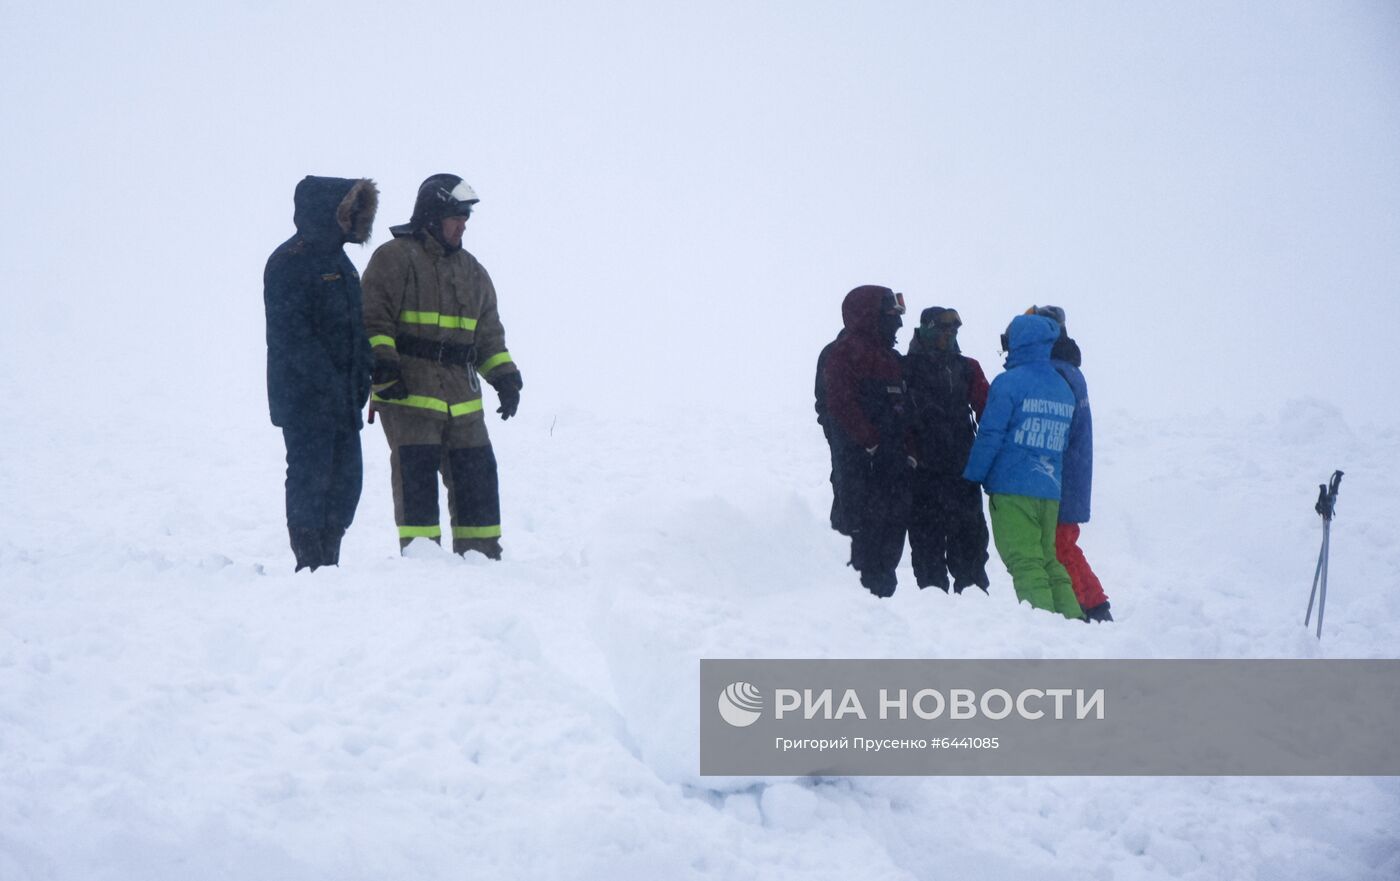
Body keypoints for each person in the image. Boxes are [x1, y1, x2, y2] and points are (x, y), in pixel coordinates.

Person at [361, 174, 522, 559]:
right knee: (415, 481)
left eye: (466, 216)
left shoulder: (472, 271)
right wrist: (384, 366)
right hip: (409, 394)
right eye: (455, 215)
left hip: (463, 399)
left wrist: (504, 375)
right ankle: (422, 562)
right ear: (432, 216)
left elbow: (488, 335)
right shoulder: (394, 258)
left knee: (477, 477)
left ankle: (482, 557)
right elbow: (371, 320)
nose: (462, 224)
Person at [264, 175, 378, 571]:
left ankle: (331, 556)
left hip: (344, 400)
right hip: (305, 402)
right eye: (348, 211)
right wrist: (328, 382)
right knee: (310, 482)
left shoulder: (340, 263)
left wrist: (364, 369)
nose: (353, 220)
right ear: (328, 212)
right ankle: (310, 562)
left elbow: (356, 326)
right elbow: (291, 337)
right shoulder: (288, 261)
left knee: (347, 485)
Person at [962, 312, 1081, 618]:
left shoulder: (1008, 384)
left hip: (1012, 488)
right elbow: (1064, 443)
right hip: (1049, 489)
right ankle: (1073, 623)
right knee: (1050, 559)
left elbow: (990, 434)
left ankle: (1045, 627)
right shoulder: (1062, 388)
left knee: (1025, 561)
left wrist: (972, 476)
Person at [821, 285, 914, 597]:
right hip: (859, 473)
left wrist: (908, 452)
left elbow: (908, 411)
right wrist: (869, 444)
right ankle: (856, 613)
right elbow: (837, 405)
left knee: (888, 550)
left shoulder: (891, 358)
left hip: (893, 472)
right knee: (858, 546)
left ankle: (881, 618)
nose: (898, 324)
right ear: (870, 316)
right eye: (891, 316)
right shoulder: (842, 354)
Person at [1033, 306, 1113, 622]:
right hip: (1072, 472)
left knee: (1058, 545)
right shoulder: (1068, 368)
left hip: (1060, 473)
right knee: (1065, 543)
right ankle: (1094, 603)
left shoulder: (1056, 372)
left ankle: (1082, 607)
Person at [904, 307, 992, 593]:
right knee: (929, 550)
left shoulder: (967, 367)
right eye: (942, 329)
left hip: (959, 472)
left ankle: (974, 609)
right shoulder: (905, 368)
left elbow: (988, 413)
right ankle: (937, 613)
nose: (949, 334)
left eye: (953, 330)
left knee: (969, 549)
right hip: (925, 473)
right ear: (926, 329)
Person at [814, 327, 852, 535]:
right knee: (845, 489)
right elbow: (824, 402)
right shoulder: (834, 354)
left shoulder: (884, 354)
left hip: (845, 447)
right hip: (845, 447)